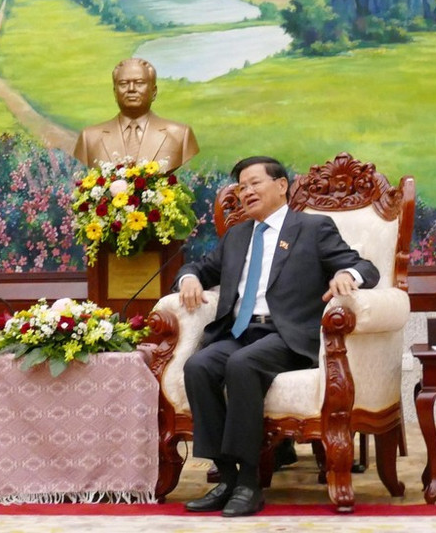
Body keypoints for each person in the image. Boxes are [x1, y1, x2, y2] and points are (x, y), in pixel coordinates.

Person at [176, 156, 379, 517]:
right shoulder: (237, 235)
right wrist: (189, 278)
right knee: (199, 365)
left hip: (285, 334)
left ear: (281, 185)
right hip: (239, 330)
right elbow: (201, 267)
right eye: (241, 187)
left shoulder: (312, 228)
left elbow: (365, 266)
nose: (246, 192)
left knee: (242, 364)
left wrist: (346, 276)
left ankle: (250, 482)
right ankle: (226, 478)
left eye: (254, 183)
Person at [73, 58, 199, 173]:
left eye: (139, 83)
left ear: (154, 92)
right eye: (123, 84)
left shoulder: (180, 135)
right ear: (115, 92)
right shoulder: (89, 138)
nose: (131, 89)